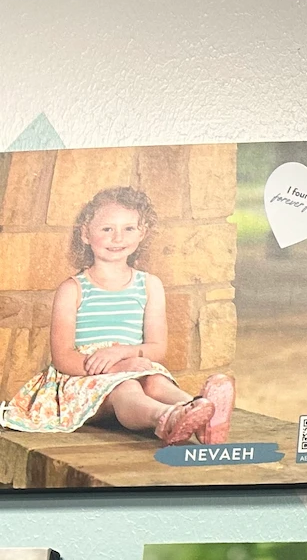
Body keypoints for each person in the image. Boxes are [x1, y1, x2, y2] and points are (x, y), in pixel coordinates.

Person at [0, 184, 233, 444]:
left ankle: (201, 411)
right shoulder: (73, 289)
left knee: (155, 381)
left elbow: (157, 348)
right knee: (126, 386)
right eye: (107, 229)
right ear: (85, 234)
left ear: (142, 233)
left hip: (133, 367)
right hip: (84, 380)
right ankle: (165, 417)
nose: (118, 238)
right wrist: (117, 367)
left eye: (129, 228)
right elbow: (63, 358)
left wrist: (123, 353)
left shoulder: (149, 285)